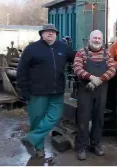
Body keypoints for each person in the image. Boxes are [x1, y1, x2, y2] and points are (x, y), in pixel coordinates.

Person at [17, 24, 76, 158]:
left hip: (57, 91)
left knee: (54, 117)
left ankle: (31, 139)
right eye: (47, 31)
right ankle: (39, 149)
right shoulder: (32, 49)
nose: (50, 33)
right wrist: (24, 91)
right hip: (37, 92)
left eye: (53, 32)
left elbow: (77, 58)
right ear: (41, 34)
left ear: (56, 34)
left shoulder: (63, 47)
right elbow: (21, 71)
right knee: (37, 120)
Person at [73, 30, 117, 160]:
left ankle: (96, 145)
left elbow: (112, 69)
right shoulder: (81, 53)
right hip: (85, 90)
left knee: (99, 118)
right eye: (95, 38)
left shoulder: (107, 53)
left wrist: (99, 80)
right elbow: (77, 68)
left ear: (102, 40)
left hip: (101, 90)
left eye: (99, 38)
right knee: (83, 119)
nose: (97, 40)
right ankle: (81, 147)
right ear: (89, 39)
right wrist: (91, 77)